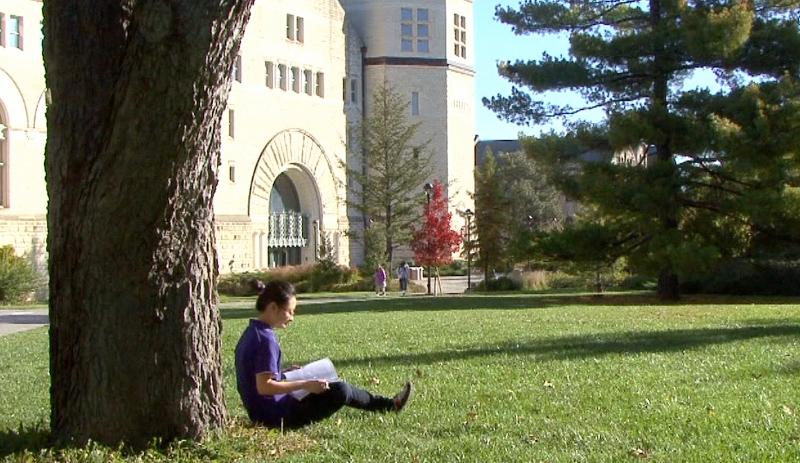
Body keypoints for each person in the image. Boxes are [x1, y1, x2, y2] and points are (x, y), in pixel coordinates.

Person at [235, 280, 412, 429]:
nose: (292, 317)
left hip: (264, 411)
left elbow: (258, 379)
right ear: (273, 307)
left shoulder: (253, 332)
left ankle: (389, 404)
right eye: (289, 311)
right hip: (275, 417)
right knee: (340, 390)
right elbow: (264, 387)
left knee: (332, 385)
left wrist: (284, 374)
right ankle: (389, 405)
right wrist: (305, 383)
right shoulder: (266, 340)